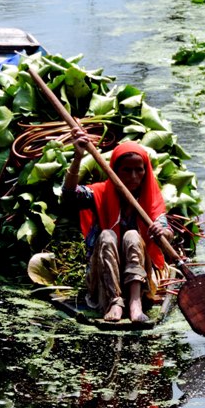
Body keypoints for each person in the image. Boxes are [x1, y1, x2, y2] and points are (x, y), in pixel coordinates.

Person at [62, 127, 173, 322]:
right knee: (106, 235)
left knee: (132, 236)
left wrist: (161, 231)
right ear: (115, 171)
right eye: (126, 170)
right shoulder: (100, 192)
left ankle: (135, 303)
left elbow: (167, 232)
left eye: (139, 170)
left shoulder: (149, 198)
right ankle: (114, 301)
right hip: (104, 275)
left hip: (140, 276)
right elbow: (70, 196)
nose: (133, 176)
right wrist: (78, 157)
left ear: (145, 172)